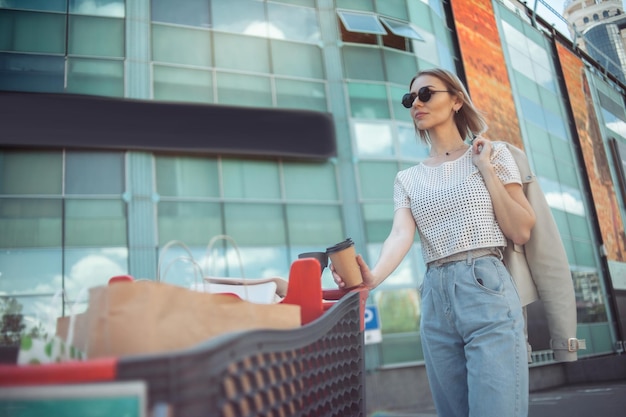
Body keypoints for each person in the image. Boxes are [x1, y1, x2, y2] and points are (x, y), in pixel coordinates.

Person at [331, 68, 536, 417]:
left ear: (456, 100)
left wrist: (484, 167)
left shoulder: (494, 154)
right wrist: (373, 278)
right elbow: (399, 235)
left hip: (485, 286)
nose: (417, 104)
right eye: (410, 99)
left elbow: (520, 230)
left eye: (426, 94)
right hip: (434, 295)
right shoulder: (407, 178)